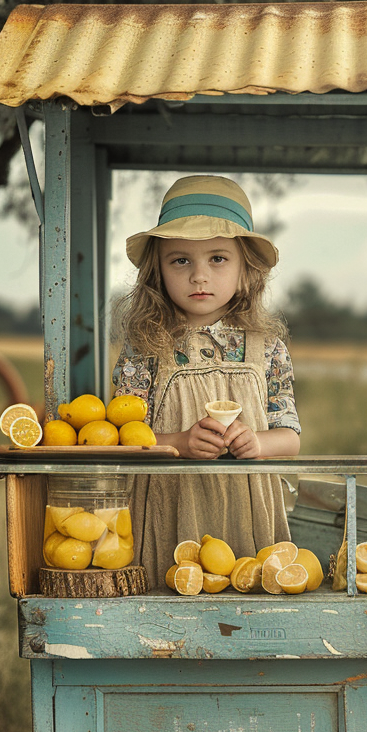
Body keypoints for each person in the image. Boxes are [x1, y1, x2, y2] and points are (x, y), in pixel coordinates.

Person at [113, 175, 300, 588]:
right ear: (157, 271)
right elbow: (123, 436)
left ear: (246, 270)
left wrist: (259, 443)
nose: (200, 276)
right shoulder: (144, 347)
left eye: (217, 259)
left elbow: (289, 436)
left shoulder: (267, 347)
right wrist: (179, 443)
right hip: (170, 510)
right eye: (181, 260)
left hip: (250, 512)